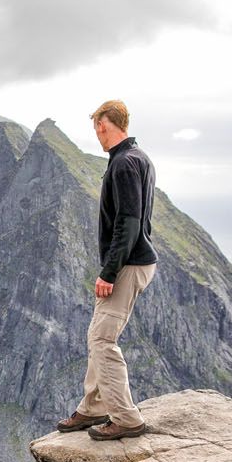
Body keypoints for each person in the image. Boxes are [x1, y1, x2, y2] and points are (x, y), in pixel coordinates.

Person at [57, 99, 159, 440]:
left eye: (97, 128)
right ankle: (92, 408)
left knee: (102, 338)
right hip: (134, 262)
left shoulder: (124, 164)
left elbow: (129, 223)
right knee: (97, 335)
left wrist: (109, 272)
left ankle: (126, 419)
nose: (97, 135)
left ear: (105, 126)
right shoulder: (138, 158)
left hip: (128, 265)